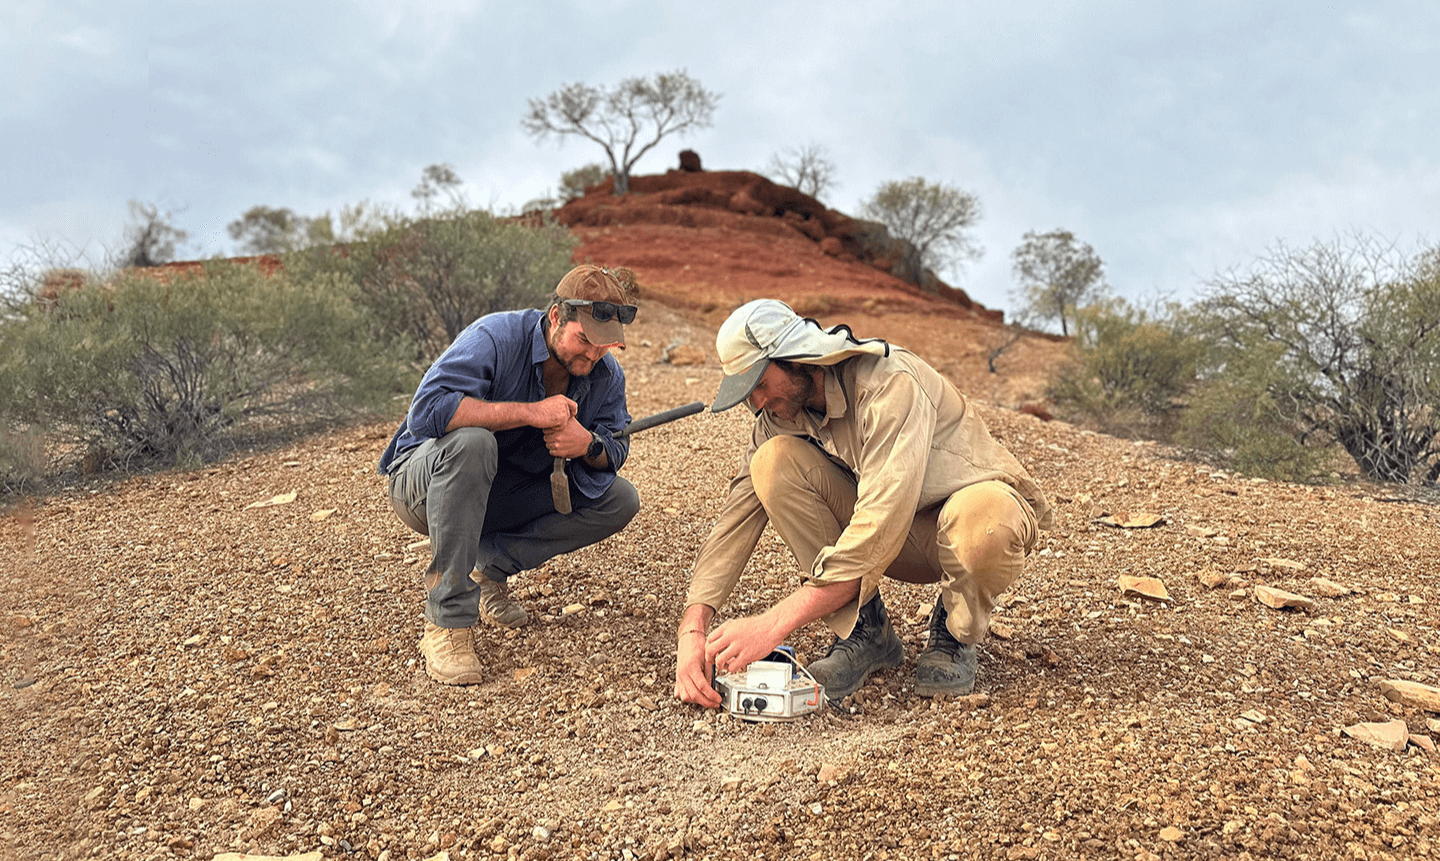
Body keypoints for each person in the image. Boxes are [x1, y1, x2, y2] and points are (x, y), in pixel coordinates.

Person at [674, 299, 1054, 707]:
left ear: (797, 358)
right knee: (772, 463)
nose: (756, 403)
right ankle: (866, 630)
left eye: (760, 385)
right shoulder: (781, 414)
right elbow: (736, 520)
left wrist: (773, 624)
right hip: (889, 540)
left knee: (986, 521)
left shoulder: (889, 385)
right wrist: (693, 630)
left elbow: (877, 530)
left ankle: (955, 634)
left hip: (955, 530)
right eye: (748, 393)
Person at [380, 264, 642, 686]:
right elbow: (427, 412)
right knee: (473, 442)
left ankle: (488, 573)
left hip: (496, 494)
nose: (592, 355)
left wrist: (586, 444)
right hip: (424, 485)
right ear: (557, 317)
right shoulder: (496, 337)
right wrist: (531, 412)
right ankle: (446, 622)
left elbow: (616, 446)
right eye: (584, 340)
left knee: (619, 499)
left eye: (605, 346)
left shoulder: (605, 374)